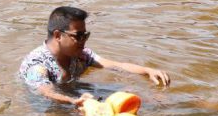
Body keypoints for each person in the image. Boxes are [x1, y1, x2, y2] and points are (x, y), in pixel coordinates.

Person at [19, 6, 170, 105]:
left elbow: (116, 66)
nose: (83, 41)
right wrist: (74, 101)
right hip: (46, 105)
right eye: (78, 36)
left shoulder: (80, 55)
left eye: (86, 35)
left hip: (75, 95)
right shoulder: (38, 65)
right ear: (58, 35)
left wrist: (148, 70)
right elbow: (47, 92)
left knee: (130, 95)